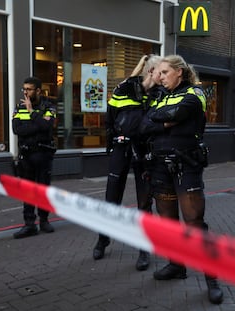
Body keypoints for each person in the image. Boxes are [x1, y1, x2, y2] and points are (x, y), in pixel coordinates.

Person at [144, 55, 224, 304]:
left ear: (179, 71)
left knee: (194, 222)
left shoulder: (197, 93)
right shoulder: (159, 95)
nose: (161, 76)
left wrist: (162, 117)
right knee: (168, 222)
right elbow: (143, 124)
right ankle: (177, 265)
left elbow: (180, 111)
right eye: (159, 73)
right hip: (159, 166)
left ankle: (212, 278)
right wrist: (165, 120)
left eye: (165, 72)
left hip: (185, 165)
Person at [92, 55, 162, 271]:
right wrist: (112, 141)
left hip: (144, 153)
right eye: (162, 72)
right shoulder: (125, 88)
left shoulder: (161, 94)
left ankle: (143, 249)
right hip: (121, 149)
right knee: (111, 198)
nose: (165, 76)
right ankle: (103, 239)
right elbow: (110, 116)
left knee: (144, 203)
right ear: (151, 71)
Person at [12, 76, 57, 239]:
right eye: (24, 89)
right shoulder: (19, 107)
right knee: (27, 190)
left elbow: (47, 127)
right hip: (26, 155)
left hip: (43, 154)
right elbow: (17, 130)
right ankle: (29, 224)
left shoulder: (49, 106)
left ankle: (44, 220)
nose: (25, 92)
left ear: (38, 90)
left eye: (29, 89)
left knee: (43, 189)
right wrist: (37, 125)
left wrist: (31, 112)